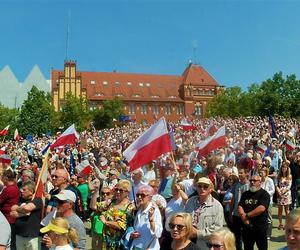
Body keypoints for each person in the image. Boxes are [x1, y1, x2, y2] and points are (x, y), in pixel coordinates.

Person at [185, 177, 224, 249]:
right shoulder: (190, 202)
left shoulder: (217, 206)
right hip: (188, 242)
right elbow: (184, 220)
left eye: (205, 187)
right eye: (199, 186)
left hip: (206, 245)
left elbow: (218, 228)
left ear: (210, 189)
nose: (202, 189)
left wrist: (197, 233)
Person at [99, 179, 134, 249]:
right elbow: (96, 206)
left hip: (117, 243)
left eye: (121, 190)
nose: (118, 192)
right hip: (106, 239)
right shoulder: (113, 201)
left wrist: (106, 222)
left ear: (127, 192)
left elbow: (121, 226)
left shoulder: (129, 207)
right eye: (116, 189)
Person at [238, 175, 270, 250]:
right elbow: (240, 206)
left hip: (260, 227)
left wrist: (247, 215)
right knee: (247, 247)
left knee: (262, 248)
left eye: (255, 181)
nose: (252, 182)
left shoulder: (264, 194)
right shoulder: (245, 194)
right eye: (251, 180)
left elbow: (261, 208)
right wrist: (243, 217)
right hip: (247, 227)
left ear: (260, 182)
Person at [11, 181, 43, 250]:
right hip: (19, 235)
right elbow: (12, 211)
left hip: (32, 237)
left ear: (31, 191)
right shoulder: (21, 200)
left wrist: (20, 211)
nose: (21, 191)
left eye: (24, 190)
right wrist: (25, 213)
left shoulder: (37, 200)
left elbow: (27, 208)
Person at [131, 185, 163, 250]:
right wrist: (133, 234)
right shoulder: (139, 210)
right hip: (137, 246)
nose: (139, 197)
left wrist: (151, 221)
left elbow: (158, 233)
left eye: (142, 195)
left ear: (150, 197)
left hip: (149, 248)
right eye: (138, 195)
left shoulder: (154, 211)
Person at [0, 169, 19, 250]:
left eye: (2, 177)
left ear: (6, 178)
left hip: (8, 218)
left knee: (7, 242)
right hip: (10, 218)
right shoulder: (14, 187)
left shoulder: (9, 189)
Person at [259, 166, 275, 239]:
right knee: (261, 218)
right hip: (260, 202)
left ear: (266, 173)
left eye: (262, 171)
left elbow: (273, 190)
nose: (261, 173)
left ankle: (268, 234)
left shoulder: (270, 180)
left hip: (268, 202)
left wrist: (265, 194)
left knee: (269, 219)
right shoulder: (259, 180)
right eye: (260, 171)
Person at [277, 161, 292, 230]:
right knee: (280, 210)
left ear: (287, 168)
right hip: (280, 194)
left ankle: (287, 224)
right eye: (283, 167)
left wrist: (283, 192)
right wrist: (279, 192)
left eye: (285, 167)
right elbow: (276, 185)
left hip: (286, 194)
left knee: (287, 210)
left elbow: (289, 186)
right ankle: (280, 224)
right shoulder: (279, 176)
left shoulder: (289, 176)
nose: (284, 168)